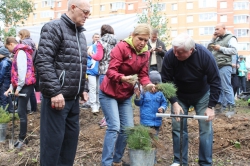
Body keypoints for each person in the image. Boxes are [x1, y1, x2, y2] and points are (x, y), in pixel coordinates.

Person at [35, 0, 90, 165]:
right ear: (73, 7)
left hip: (73, 100)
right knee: (52, 147)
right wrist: (54, 92)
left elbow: (80, 65)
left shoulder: (80, 34)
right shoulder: (53, 28)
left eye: (89, 13)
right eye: (85, 12)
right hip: (57, 100)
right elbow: (43, 61)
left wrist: (84, 88)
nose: (87, 16)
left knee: (69, 146)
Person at [99, 24, 155, 166]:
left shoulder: (146, 52)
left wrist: (148, 84)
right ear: (133, 36)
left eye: (145, 40)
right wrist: (122, 78)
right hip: (109, 92)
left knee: (127, 129)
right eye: (140, 39)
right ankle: (106, 163)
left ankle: (116, 161)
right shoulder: (122, 47)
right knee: (114, 127)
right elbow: (111, 71)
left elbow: (143, 75)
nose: (142, 43)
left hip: (124, 95)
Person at [161, 33, 221, 166]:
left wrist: (211, 107)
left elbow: (216, 81)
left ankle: (205, 162)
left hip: (202, 94)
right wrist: (174, 102)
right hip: (179, 95)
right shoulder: (170, 55)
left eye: (180, 52)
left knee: (205, 128)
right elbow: (166, 80)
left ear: (191, 50)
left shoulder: (205, 56)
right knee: (178, 127)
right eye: (174, 50)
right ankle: (180, 161)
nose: (176, 54)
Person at [4, 37, 36, 148]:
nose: (9, 51)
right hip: (22, 85)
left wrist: (18, 89)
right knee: (21, 112)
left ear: (11, 44)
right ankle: (21, 138)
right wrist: (11, 88)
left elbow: (22, 72)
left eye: (8, 47)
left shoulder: (21, 53)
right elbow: (15, 74)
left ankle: (22, 139)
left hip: (25, 86)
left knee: (22, 113)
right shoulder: (19, 52)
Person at [90, 24, 117, 127]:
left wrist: (90, 53)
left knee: (104, 97)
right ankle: (107, 118)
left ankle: (108, 119)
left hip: (104, 72)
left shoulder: (100, 42)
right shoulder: (116, 42)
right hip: (114, 72)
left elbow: (98, 56)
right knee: (112, 96)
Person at [207, 23, 238, 113]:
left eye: (217, 29)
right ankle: (220, 107)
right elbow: (208, 49)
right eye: (215, 29)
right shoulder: (216, 38)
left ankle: (231, 107)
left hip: (225, 65)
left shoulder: (231, 38)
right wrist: (212, 38)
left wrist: (220, 48)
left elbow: (234, 50)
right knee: (218, 86)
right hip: (215, 66)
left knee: (226, 86)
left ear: (224, 28)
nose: (215, 31)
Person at [18, 29, 37, 114]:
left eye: (19, 35)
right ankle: (34, 107)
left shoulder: (23, 43)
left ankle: (27, 109)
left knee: (26, 88)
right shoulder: (32, 42)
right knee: (31, 89)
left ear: (22, 34)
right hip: (32, 66)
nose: (19, 36)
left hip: (26, 66)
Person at [85, 33, 100, 113]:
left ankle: (98, 104)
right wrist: (90, 65)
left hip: (99, 71)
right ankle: (93, 105)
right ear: (93, 38)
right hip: (91, 71)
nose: (97, 38)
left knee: (98, 88)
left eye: (98, 37)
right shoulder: (90, 47)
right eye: (95, 37)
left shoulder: (101, 47)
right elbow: (87, 58)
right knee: (93, 88)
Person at [0, 47, 13, 112]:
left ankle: (5, 112)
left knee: (4, 98)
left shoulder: (4, 62)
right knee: (8, 96)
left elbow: (1, 74)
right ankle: (10, 110)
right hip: (7, 81)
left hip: (4, 82)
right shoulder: (7, 60)